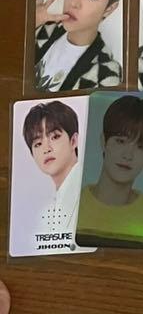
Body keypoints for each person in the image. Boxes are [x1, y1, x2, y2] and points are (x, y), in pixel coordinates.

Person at [77, 94, 143, 248]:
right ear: (104, 141)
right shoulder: (71, 206)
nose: (128, 155)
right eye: (120, 141)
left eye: (141, 147)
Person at [33, 0, 122, 92]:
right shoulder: (44, 30)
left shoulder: (107, 75)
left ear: (109, 9)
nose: (73, 2)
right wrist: (27, 25)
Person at [21, 100, 83, 250]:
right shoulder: (47, 211)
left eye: (54, 137)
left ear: (73, 141)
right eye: (38, 144)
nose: (46, 148)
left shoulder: (90, 192)